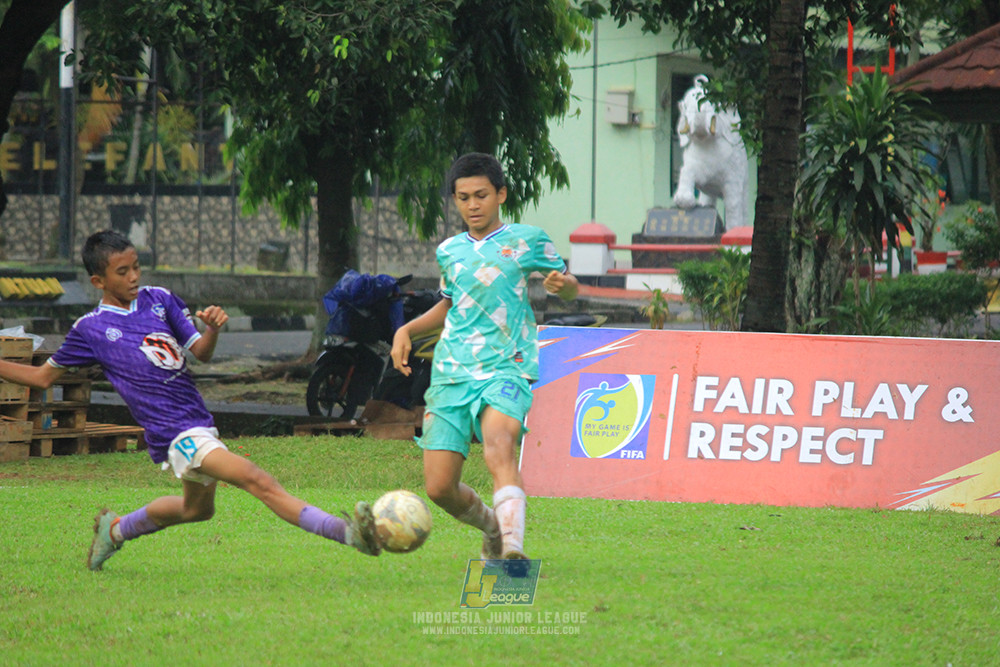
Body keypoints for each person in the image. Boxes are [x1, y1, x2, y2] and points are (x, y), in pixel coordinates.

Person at [0, 230, 381, 571]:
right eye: (122, 272)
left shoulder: (159, 299)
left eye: (136, 267)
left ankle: (114, 531)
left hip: (198, 422)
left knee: (196, 509)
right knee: (257, 480)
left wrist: (212, 329)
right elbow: (41, 377)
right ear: (98, 281)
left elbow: (201, 352)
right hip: (174, 434)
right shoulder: (91, 328)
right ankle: (347, 532)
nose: (133, 277)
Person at [390, 153, 578, 562]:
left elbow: (570, 285)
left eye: (481, 195)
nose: (472, 205)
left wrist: (562, 285)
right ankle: (493, 527)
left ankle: (512, 548)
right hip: (451, 373)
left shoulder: (528, 240)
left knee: (499, 446)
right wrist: (406, 330)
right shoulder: (450, 251)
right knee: (439, 487)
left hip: (507, 366)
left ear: (500, 195)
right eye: (463, 198)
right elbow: (449, 304)